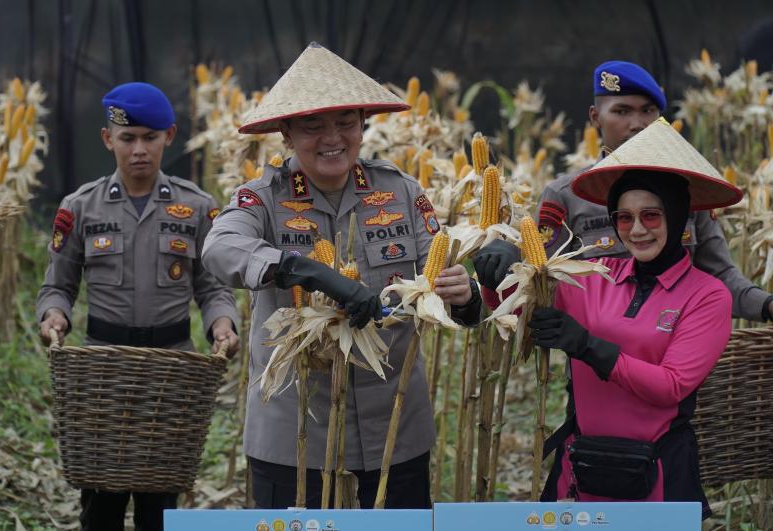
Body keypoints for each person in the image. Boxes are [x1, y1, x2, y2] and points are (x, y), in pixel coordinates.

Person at [202, 42, 481, 509]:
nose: (332, 137)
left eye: (345, 123)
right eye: (312, 126)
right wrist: (303, 270)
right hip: (295, 433)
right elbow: (219, 248)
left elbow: (444, 282)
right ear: (286, 135)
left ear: (363, 127)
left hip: (393, 426)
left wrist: (466, 296)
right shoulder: (262, 198)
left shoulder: (400, 190)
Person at [476, 118, 742, 517]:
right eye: (623, 217)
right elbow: (520, 297)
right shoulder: (594, 273)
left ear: (676, 214)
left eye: (651, 215)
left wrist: (586, 346)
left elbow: (671, 386)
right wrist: (498, 268)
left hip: (658, 474)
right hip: (582, 470)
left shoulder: (707, 295)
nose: (636, 230)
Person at [36, 82, 240, 531]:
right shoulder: (81, 207)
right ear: (109, 140)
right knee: (101, 500)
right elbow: (57, 285)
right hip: (101, 373)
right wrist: (54, 317)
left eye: (150, 137)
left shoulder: (197, 207)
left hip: (172, 371)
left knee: (160, 502)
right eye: (128, 139)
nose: (139, 150)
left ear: (170, 136)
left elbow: (213, 288)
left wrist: (223, 325)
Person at [537, 60, 773, 322]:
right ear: (595, 117)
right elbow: (543, 284)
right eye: (622, 111)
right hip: (595, 352)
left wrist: (767, 305)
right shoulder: (567, 196)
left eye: (647, 111)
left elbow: (720, 276)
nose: (637, 124)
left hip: (681, 347)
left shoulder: (691, 190)